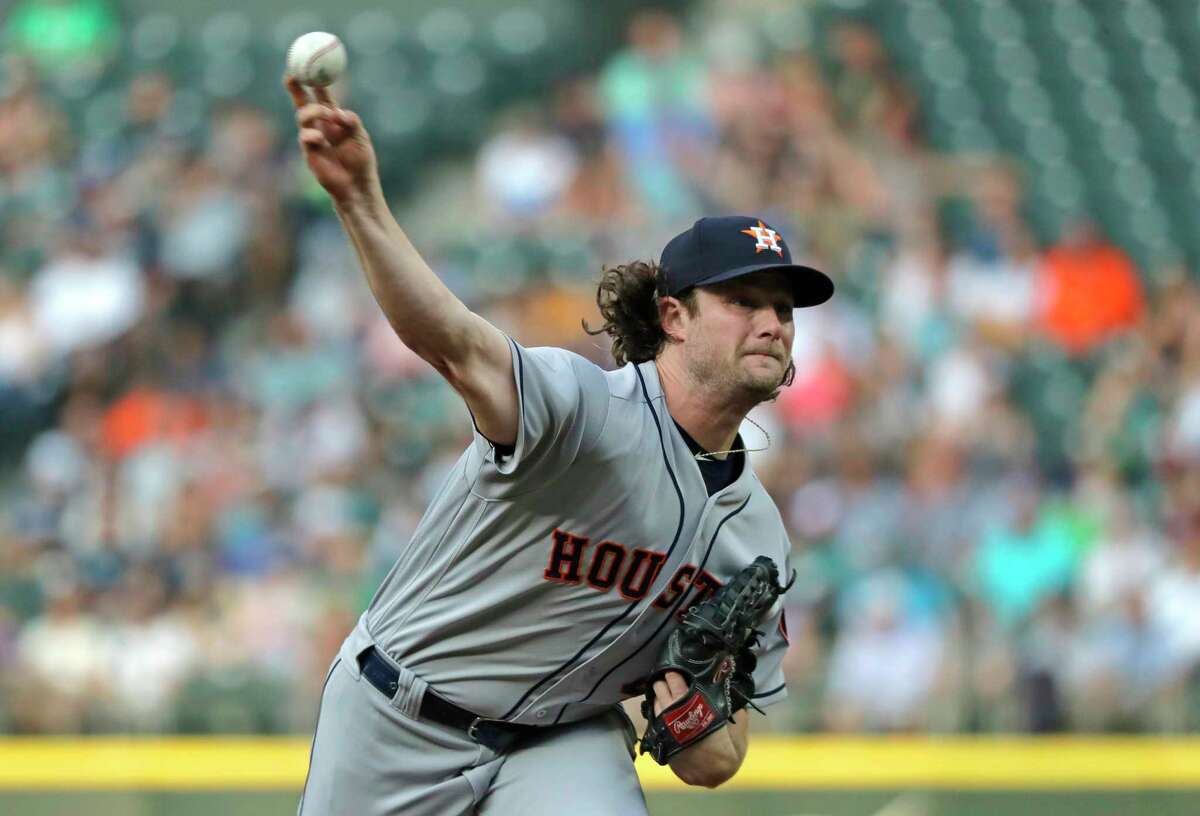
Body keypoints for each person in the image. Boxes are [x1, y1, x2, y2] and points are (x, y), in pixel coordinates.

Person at [285, 76, 834, 816]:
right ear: (673, 317)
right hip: (401, 716)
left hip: (561, 738)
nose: (772, 322)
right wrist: (359, 201)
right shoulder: (581, 409)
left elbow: (719, 759)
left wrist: (697, 723)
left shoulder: (757, 536)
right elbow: (454, 343)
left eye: (781, 308)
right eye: (743, 302)